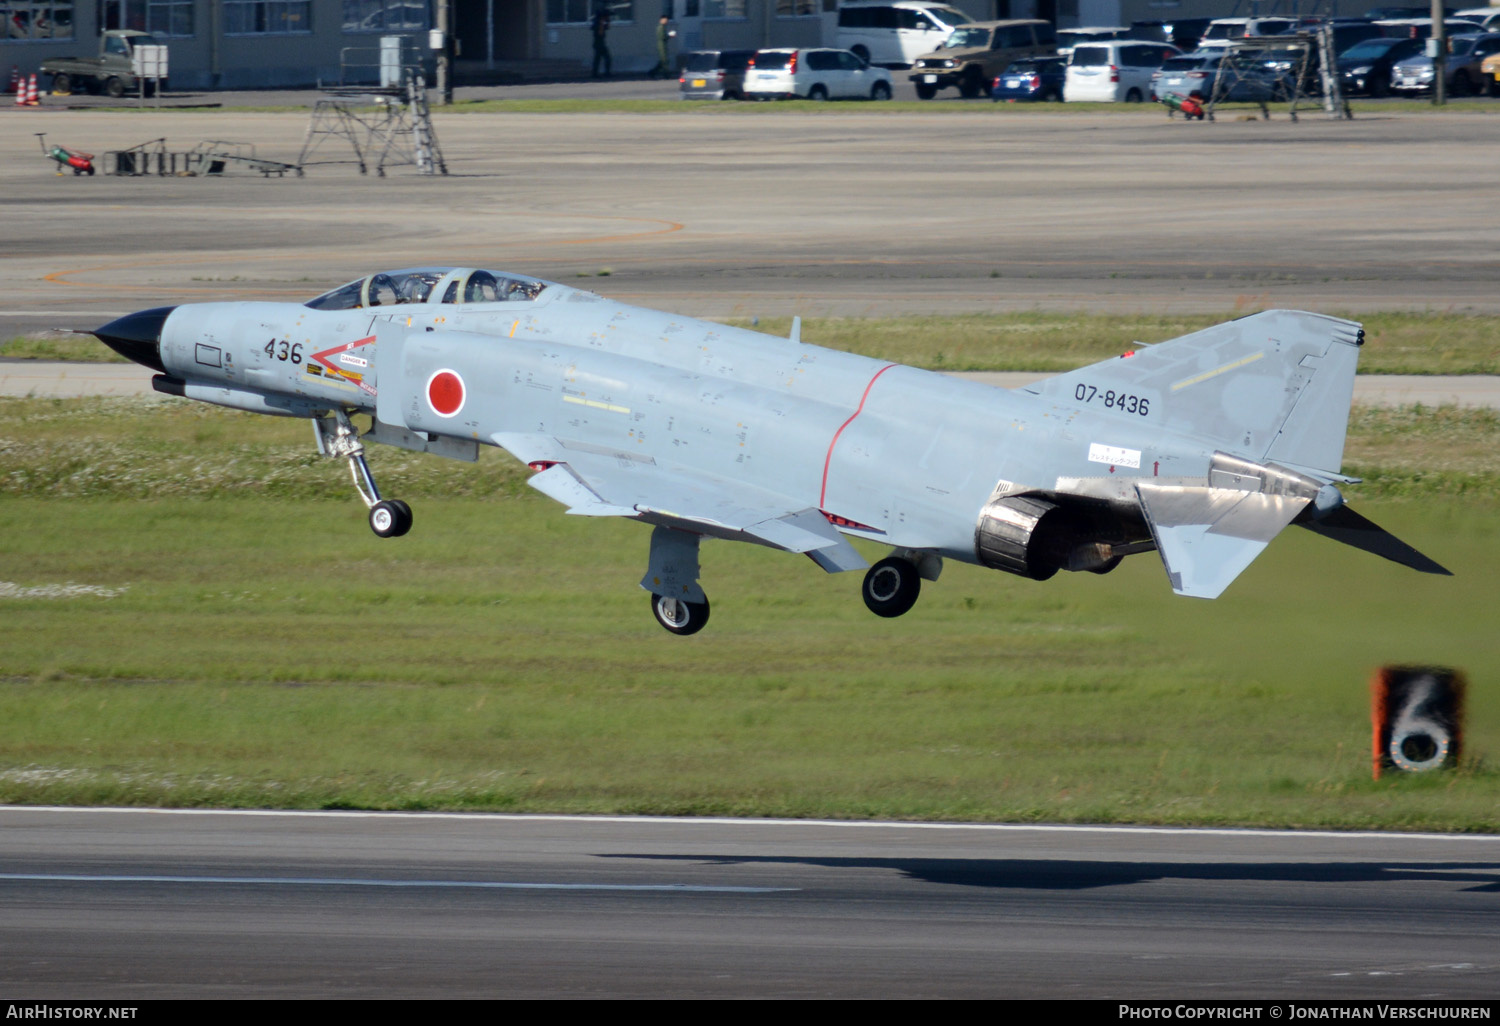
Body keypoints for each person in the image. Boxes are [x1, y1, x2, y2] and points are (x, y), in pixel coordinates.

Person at [648, 14, 675, 79]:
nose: (666, 21)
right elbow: (662, 37)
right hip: (661, 46)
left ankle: (652, 72)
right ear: (662, 20)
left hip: (663, 45)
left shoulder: (662, 27)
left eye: (667, 20)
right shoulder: (660, 27)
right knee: (664, 61)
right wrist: (669, 35)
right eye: (665, 20)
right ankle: (666, 75)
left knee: (662, 61)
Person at [591, 7, 612, 78]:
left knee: (598, 59)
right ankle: (601, 73)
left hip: (600, 43)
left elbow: (608, 27)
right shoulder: (597, 22)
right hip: (599, 44)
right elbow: (600, 33)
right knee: (606, 58)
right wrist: (602, 23)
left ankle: (596, 73)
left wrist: (608, 21)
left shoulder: (600, 22)